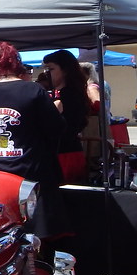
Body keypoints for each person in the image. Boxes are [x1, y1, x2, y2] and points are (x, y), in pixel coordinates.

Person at [0, 41, 67, 245]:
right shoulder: (33, 91)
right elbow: (57, 130)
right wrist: (57, 111)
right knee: (37, 243)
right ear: (14, 62)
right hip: (32, 177)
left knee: (2, 240)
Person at [42, 49, 89, 184]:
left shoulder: (67, 95)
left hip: (64, 155)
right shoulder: (68, 93)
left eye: (50, 69)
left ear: (65, 70)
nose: (46, 74)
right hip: (69, 152)